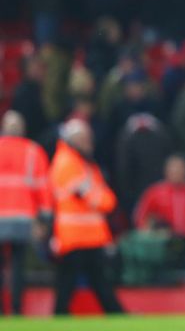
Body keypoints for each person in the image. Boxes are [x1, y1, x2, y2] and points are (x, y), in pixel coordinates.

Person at [49, 118, 123, 315]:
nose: (88, 142)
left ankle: (116, 313)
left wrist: (104, 200)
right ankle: (61, 314)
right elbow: (97, 198)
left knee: (96, 280)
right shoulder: (67, 162)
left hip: (87, 236)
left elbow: (105, 197)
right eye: (83, 138)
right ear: (72, 140)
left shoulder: (83, 163)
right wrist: (103, 200)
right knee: (71, 282)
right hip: (74, 236)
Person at [0, 111, 52, 315]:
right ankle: (16, 308)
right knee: (18, 265)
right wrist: (45, 220)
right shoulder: (33, 151)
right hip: (23, 218)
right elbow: (43, 189)